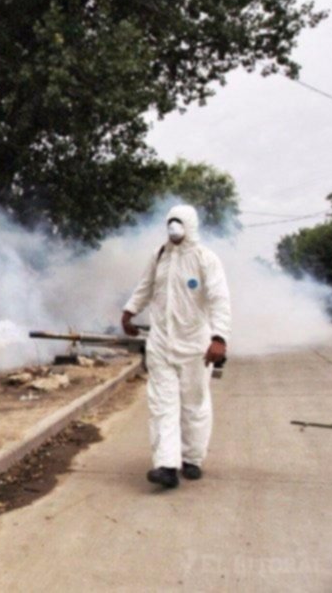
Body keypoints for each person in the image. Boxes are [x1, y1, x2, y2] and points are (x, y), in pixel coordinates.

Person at [122, 205, 231, 489]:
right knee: (162, 405)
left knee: (194, 403)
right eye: (170, 222)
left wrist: (219, 338)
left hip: (195, 345)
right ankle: (166, 466)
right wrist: (129, 311)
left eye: (179, 223)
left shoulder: (206, 259)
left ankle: (192, 458)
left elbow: (219, 299)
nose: (173, 228)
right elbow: (145, 287)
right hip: (161, 342)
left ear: (190, 226)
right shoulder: (159, 255)